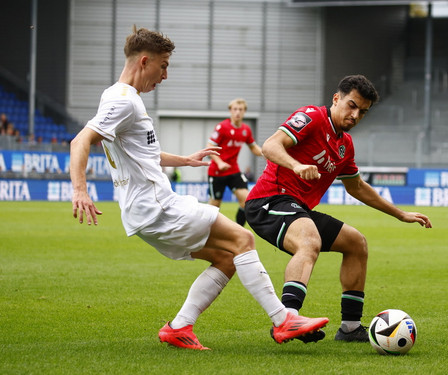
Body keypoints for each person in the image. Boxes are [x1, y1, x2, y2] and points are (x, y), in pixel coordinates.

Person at [70, 26, 328, 351]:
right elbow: (80, 141)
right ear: (144, 61)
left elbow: (141, 153)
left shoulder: (115, 96)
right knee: (243, 239)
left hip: (142, 214)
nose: (164, 75)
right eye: (163, 65)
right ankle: (283, 320)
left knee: (226, 257)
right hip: (158, 207)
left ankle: (179, 327)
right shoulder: (125, 102)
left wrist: (186, 160)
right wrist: (79, 189)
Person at [245, 74, 432, 343]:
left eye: (363, 112)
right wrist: (296, 166)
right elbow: (270, 145)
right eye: (352, 106)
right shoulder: (311, 116)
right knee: (310, 240)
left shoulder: (345, 146)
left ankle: (350, 327)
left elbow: (356, 187)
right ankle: (287, 319)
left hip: (298, 208)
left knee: (356, 243)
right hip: (269, 200)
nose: (355, 115)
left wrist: (401, 214)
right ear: (336, 99)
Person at [207, 98, 262, 226]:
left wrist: (267, 153)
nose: (237, 112)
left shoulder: (246, 130)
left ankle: (238, 230)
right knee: (214, 207)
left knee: (247, 201)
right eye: (235, 109)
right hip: (217, 172)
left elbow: (253, 147)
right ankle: (204, 232)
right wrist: (220, 162)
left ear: (244, 112)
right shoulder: (222, 127)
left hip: (233, 171)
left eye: (240, 109)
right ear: (230, 111)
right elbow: (209, 147)